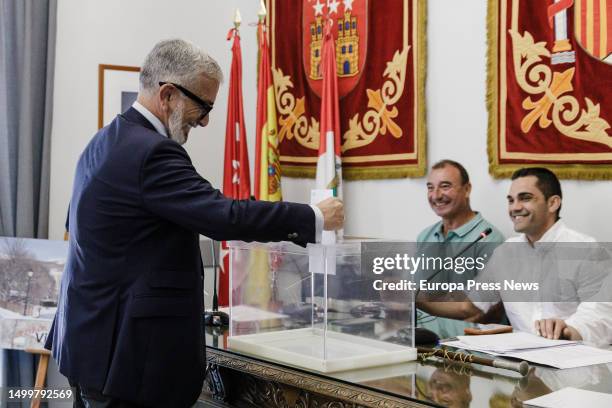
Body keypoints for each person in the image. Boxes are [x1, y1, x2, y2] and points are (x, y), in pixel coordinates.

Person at [45, 39, 344, 408]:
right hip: (127, 360)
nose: (204, 120)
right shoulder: (152, 152)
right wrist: (313, 217)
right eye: (203, 106)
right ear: (168, 94)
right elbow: (222, 215)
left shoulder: (103, 142)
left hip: (90, 347)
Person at [418, 167, 612, 344]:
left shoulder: (587, 249)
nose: (515, 208)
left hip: (576, 366)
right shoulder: (506, 253)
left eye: (525, 198)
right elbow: (469, 306)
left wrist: (568, 330)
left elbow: (602, 317)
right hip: (523, 367)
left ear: (553, 203)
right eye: (511, 200)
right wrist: (413, 296)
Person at [415, 160, 504, 338]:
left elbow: (482, 313)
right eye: (430, 188)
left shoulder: (490, 239)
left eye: (445, 186)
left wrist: (416, 299)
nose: (436, 195)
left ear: (467, 189)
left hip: (471, 352)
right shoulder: (424, 236)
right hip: (424, 344)